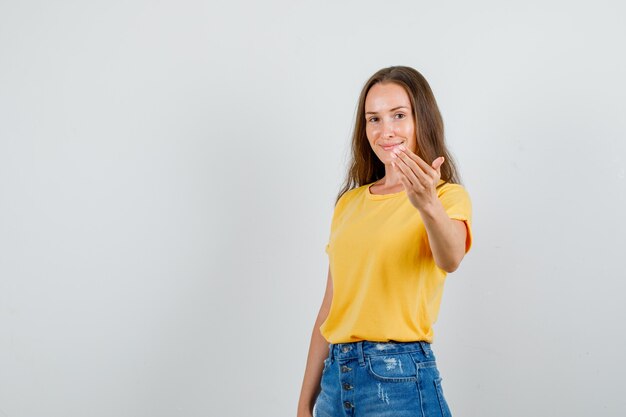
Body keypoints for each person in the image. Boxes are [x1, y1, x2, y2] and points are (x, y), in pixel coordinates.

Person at [297, 66, 473, 417]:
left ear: (422, 120)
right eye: (373, 119)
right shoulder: (349, 203)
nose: (385, 130)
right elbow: (331, 306)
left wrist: (426, 204)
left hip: (399, 379)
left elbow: (450, 258)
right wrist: (305, 404)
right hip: (335, 383)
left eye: (398, 115)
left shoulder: (446, 197)